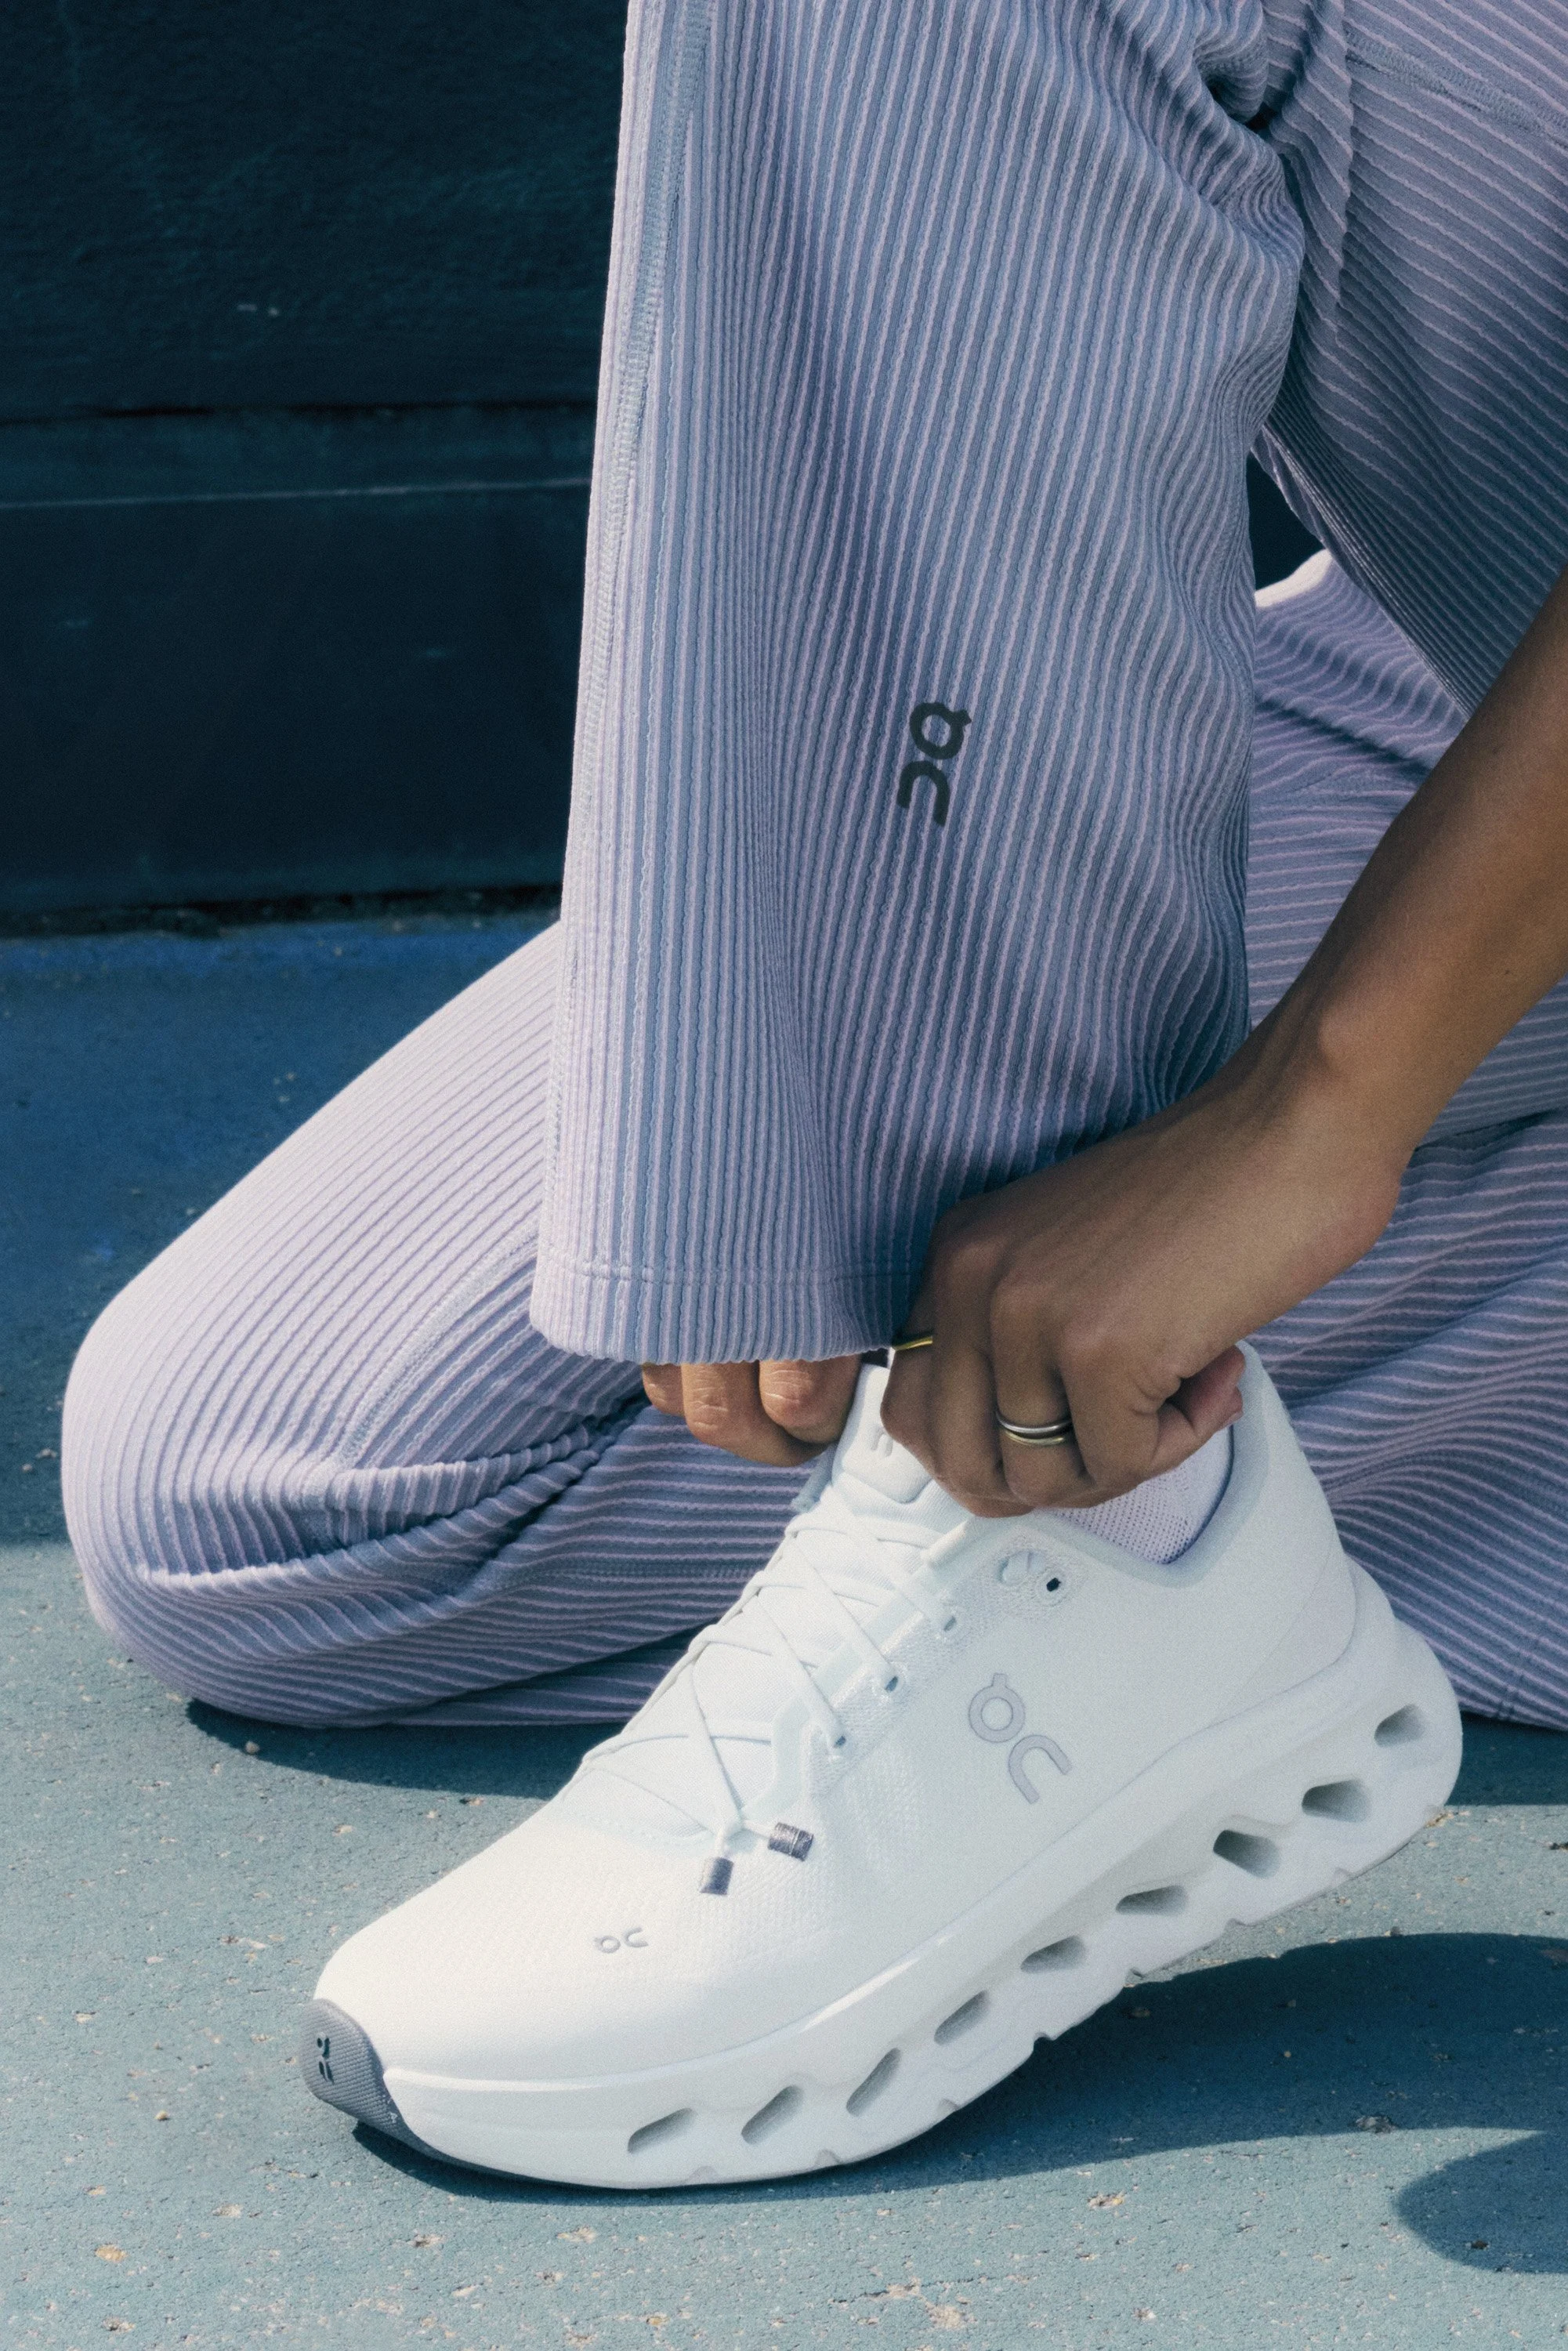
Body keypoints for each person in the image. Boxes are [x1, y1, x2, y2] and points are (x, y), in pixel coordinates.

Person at [63, 0, 1568, 2186]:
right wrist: (786, 1038)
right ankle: (1081, 1482)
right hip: (1467, 639)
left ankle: (1074, 1536)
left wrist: (1316, 1110)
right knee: (283, 1494)